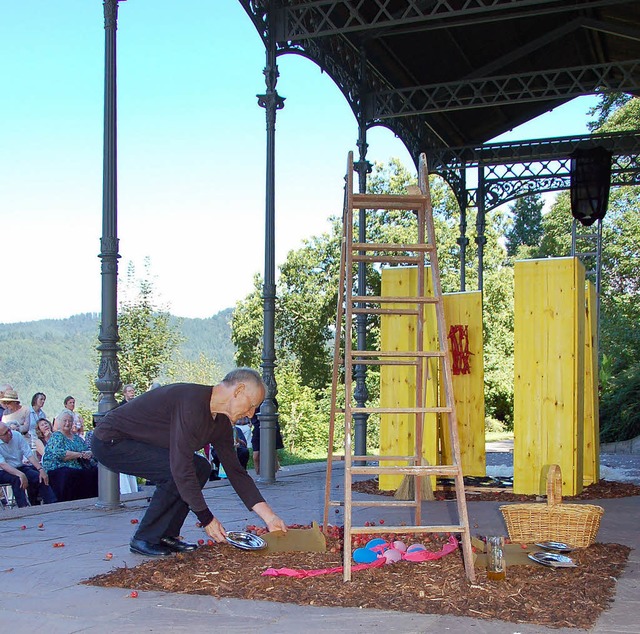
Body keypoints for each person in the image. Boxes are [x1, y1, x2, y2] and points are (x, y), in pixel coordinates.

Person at [91, 367, 288, 557]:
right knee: (175, 471)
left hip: (140, 443)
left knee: (201, 467)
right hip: (111, 440)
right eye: (252, 405)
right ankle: (145, 538)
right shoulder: (191, 402)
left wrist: (269, 517)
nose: (251, 414)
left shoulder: (220, 423)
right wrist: (206, 518)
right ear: (239, 390)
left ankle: (166, 534)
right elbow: (180, 467)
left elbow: (236, 473)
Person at [42, 409, 98, 502]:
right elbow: (60, 453)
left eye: (70, 421)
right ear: (60, 422)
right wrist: (79, 455)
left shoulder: (76, 438)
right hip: (59, 468)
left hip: (78, 467)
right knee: (69, 474)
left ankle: (92, 501)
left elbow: (86, 450)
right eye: (65, 421)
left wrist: (89, 453)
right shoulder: (57, 436)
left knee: (95, 472)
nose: (67, 423)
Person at [0, 422, 57, 507]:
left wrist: (40, 469)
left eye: (9, 430)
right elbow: (3, 464)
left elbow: (29, 454)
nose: (9, 433)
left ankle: (51, 504)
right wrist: (20, 474)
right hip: (3, 470)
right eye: (5, 433)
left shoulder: (16, 435)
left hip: (19, 466)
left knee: (39, 476)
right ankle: (23, 508)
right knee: (17, 479)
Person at [250, 401, 285, 476]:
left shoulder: (270, 399)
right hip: (257, 429)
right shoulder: (252, 399)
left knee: (272, 452)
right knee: (256, 455)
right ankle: (258, 475)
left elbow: (274, 410)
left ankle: (273, 474)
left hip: (271, 426)